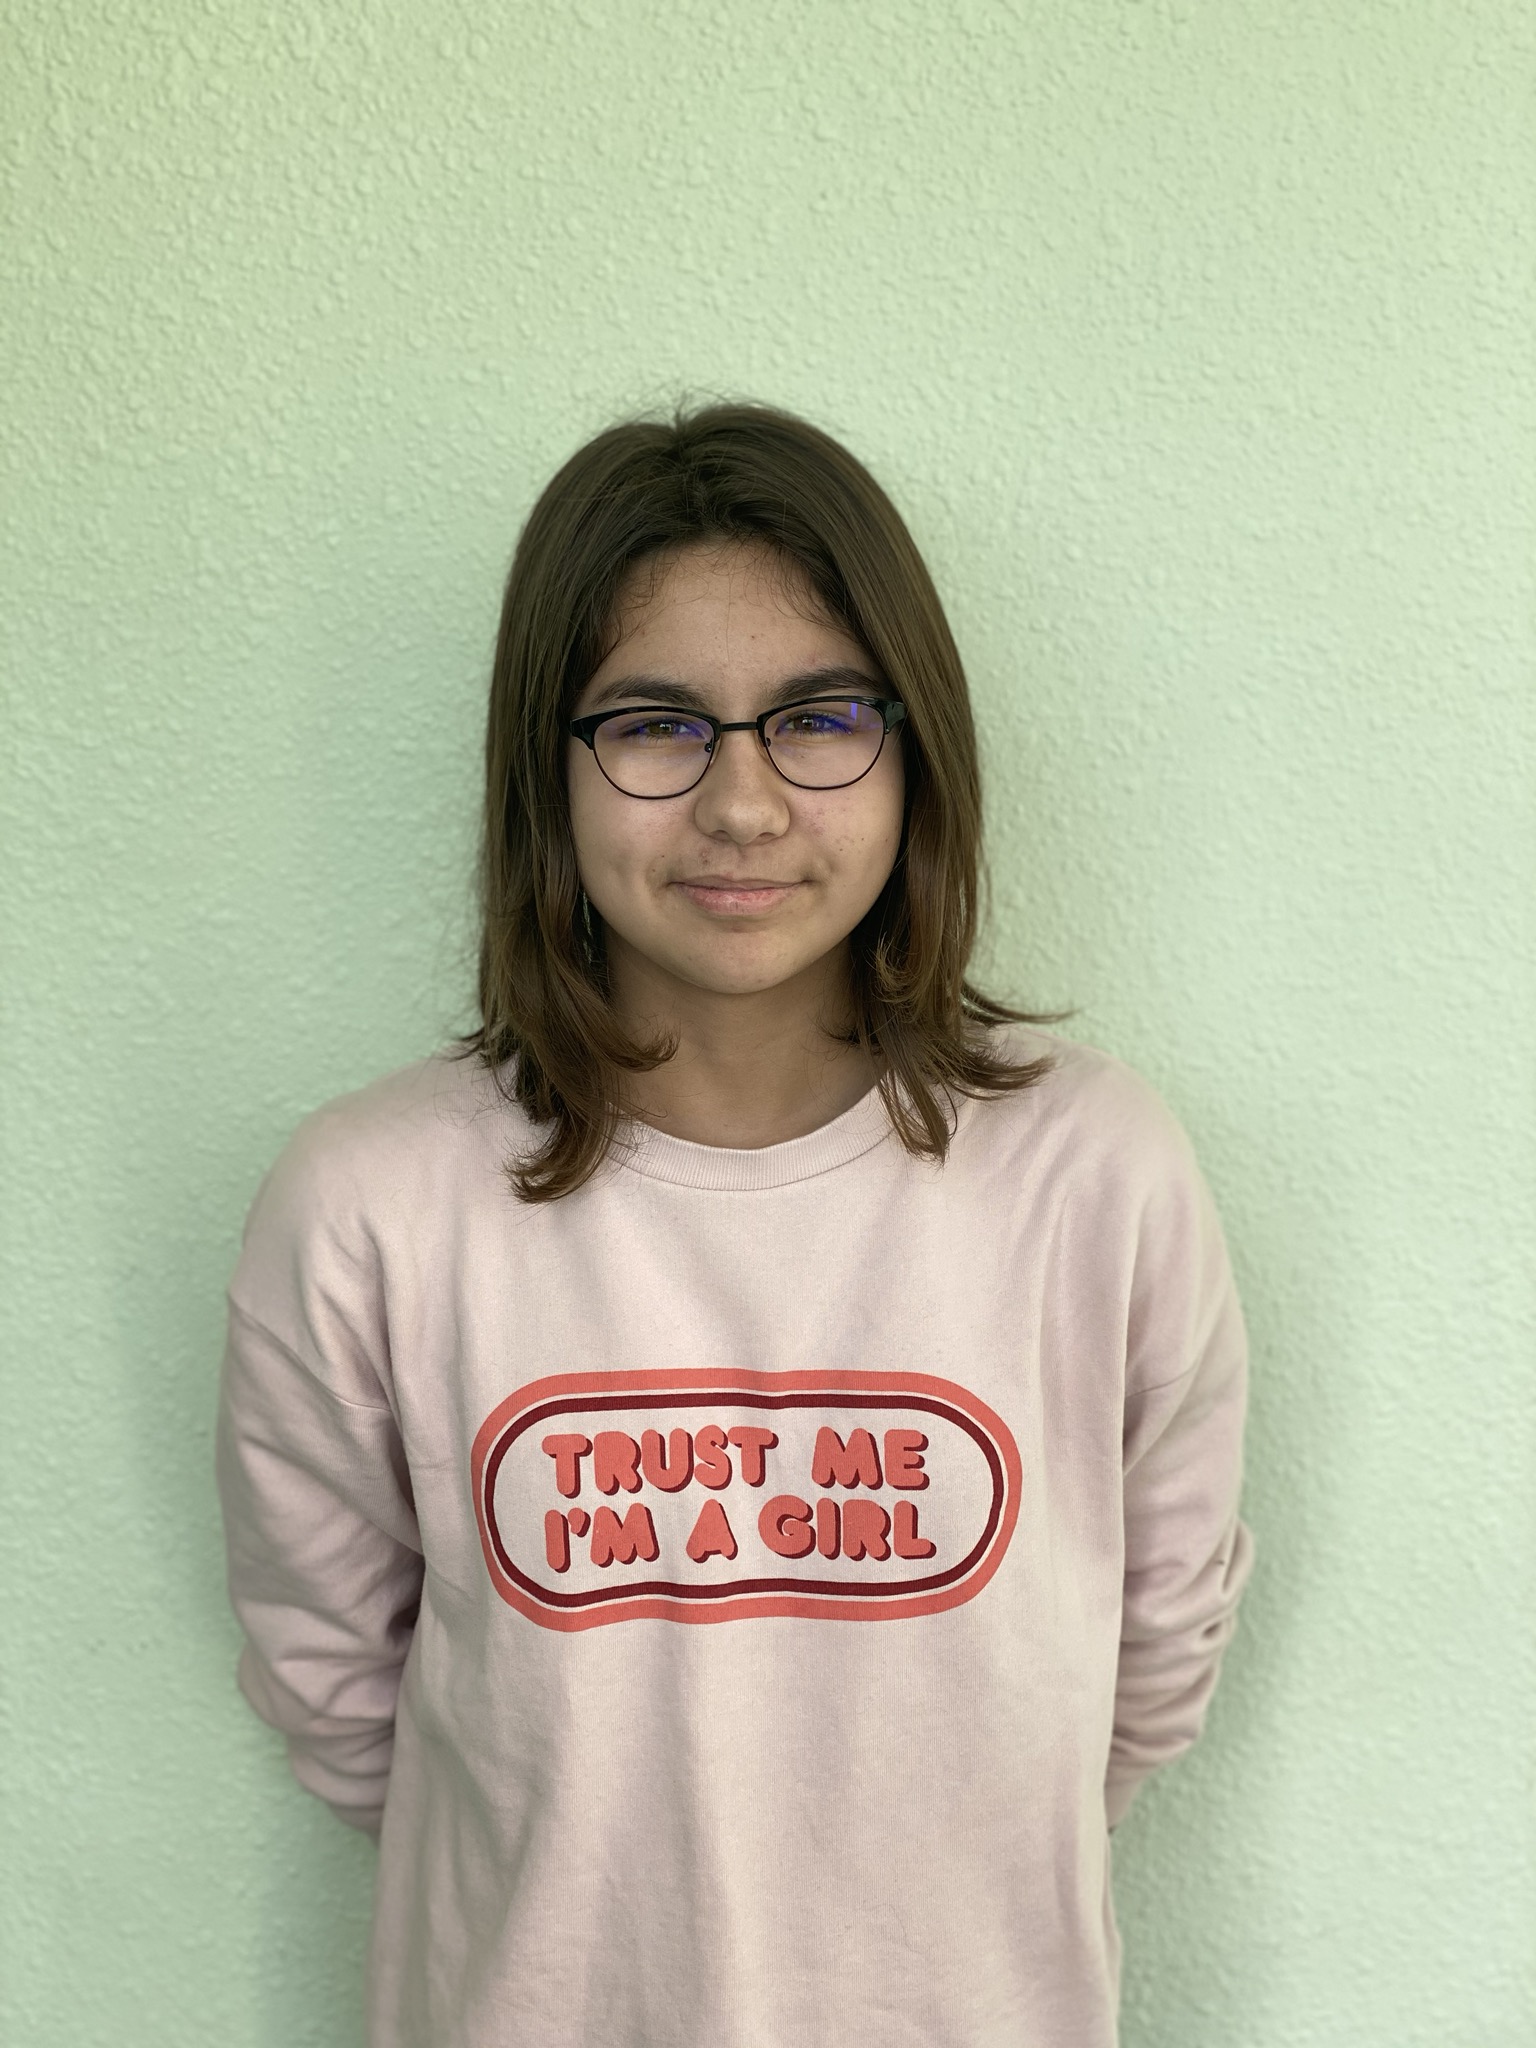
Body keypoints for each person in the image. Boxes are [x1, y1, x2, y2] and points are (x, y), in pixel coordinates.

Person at [216, 401, 1255, 2048]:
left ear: (916, 751)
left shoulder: (1094, 1175)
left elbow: (1154, 1660)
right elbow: (341, 1692)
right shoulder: (371, 1206)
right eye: (656, 726)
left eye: (821, 717)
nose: (745, 804)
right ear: (547, 768)